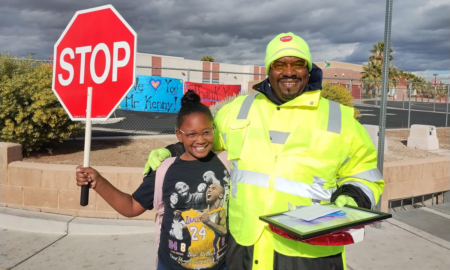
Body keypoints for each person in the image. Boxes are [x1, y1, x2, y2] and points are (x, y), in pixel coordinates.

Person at [143, 32, 385, 270]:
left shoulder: (339, 119)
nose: (289, 71)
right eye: (280, 64)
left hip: (309, 251)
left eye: (297, 63)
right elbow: (205, 140)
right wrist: (171, 150)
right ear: (269, 70)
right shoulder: (238, 110)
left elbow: (365, 175)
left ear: (308, 70)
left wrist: (348, 202)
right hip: (244, 246)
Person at [76, 90, 230, 270]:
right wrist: (98, 181)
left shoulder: (227, 165)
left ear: (214, 130)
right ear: (178, 135)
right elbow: (131, 206)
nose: (200, 139)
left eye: (206, 132)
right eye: (191, 134)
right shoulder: (164, 171)